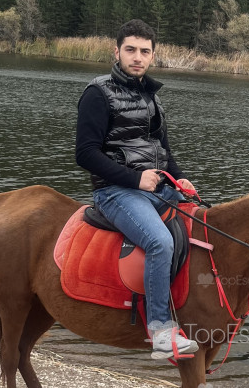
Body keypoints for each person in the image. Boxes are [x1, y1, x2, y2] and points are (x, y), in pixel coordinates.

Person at [75, 19, 200, 360]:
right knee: (159, 242)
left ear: (152, 56)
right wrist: (134, 179)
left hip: (158, 189)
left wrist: (180, 179)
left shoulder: (151, 96)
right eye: (130, 50)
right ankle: (160, 331)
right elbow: (85, 153)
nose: (137, 57)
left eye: (145, 51)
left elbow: (163, 151)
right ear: (116, 52)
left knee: (207, 226)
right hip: (116, 192)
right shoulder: (98, 93)